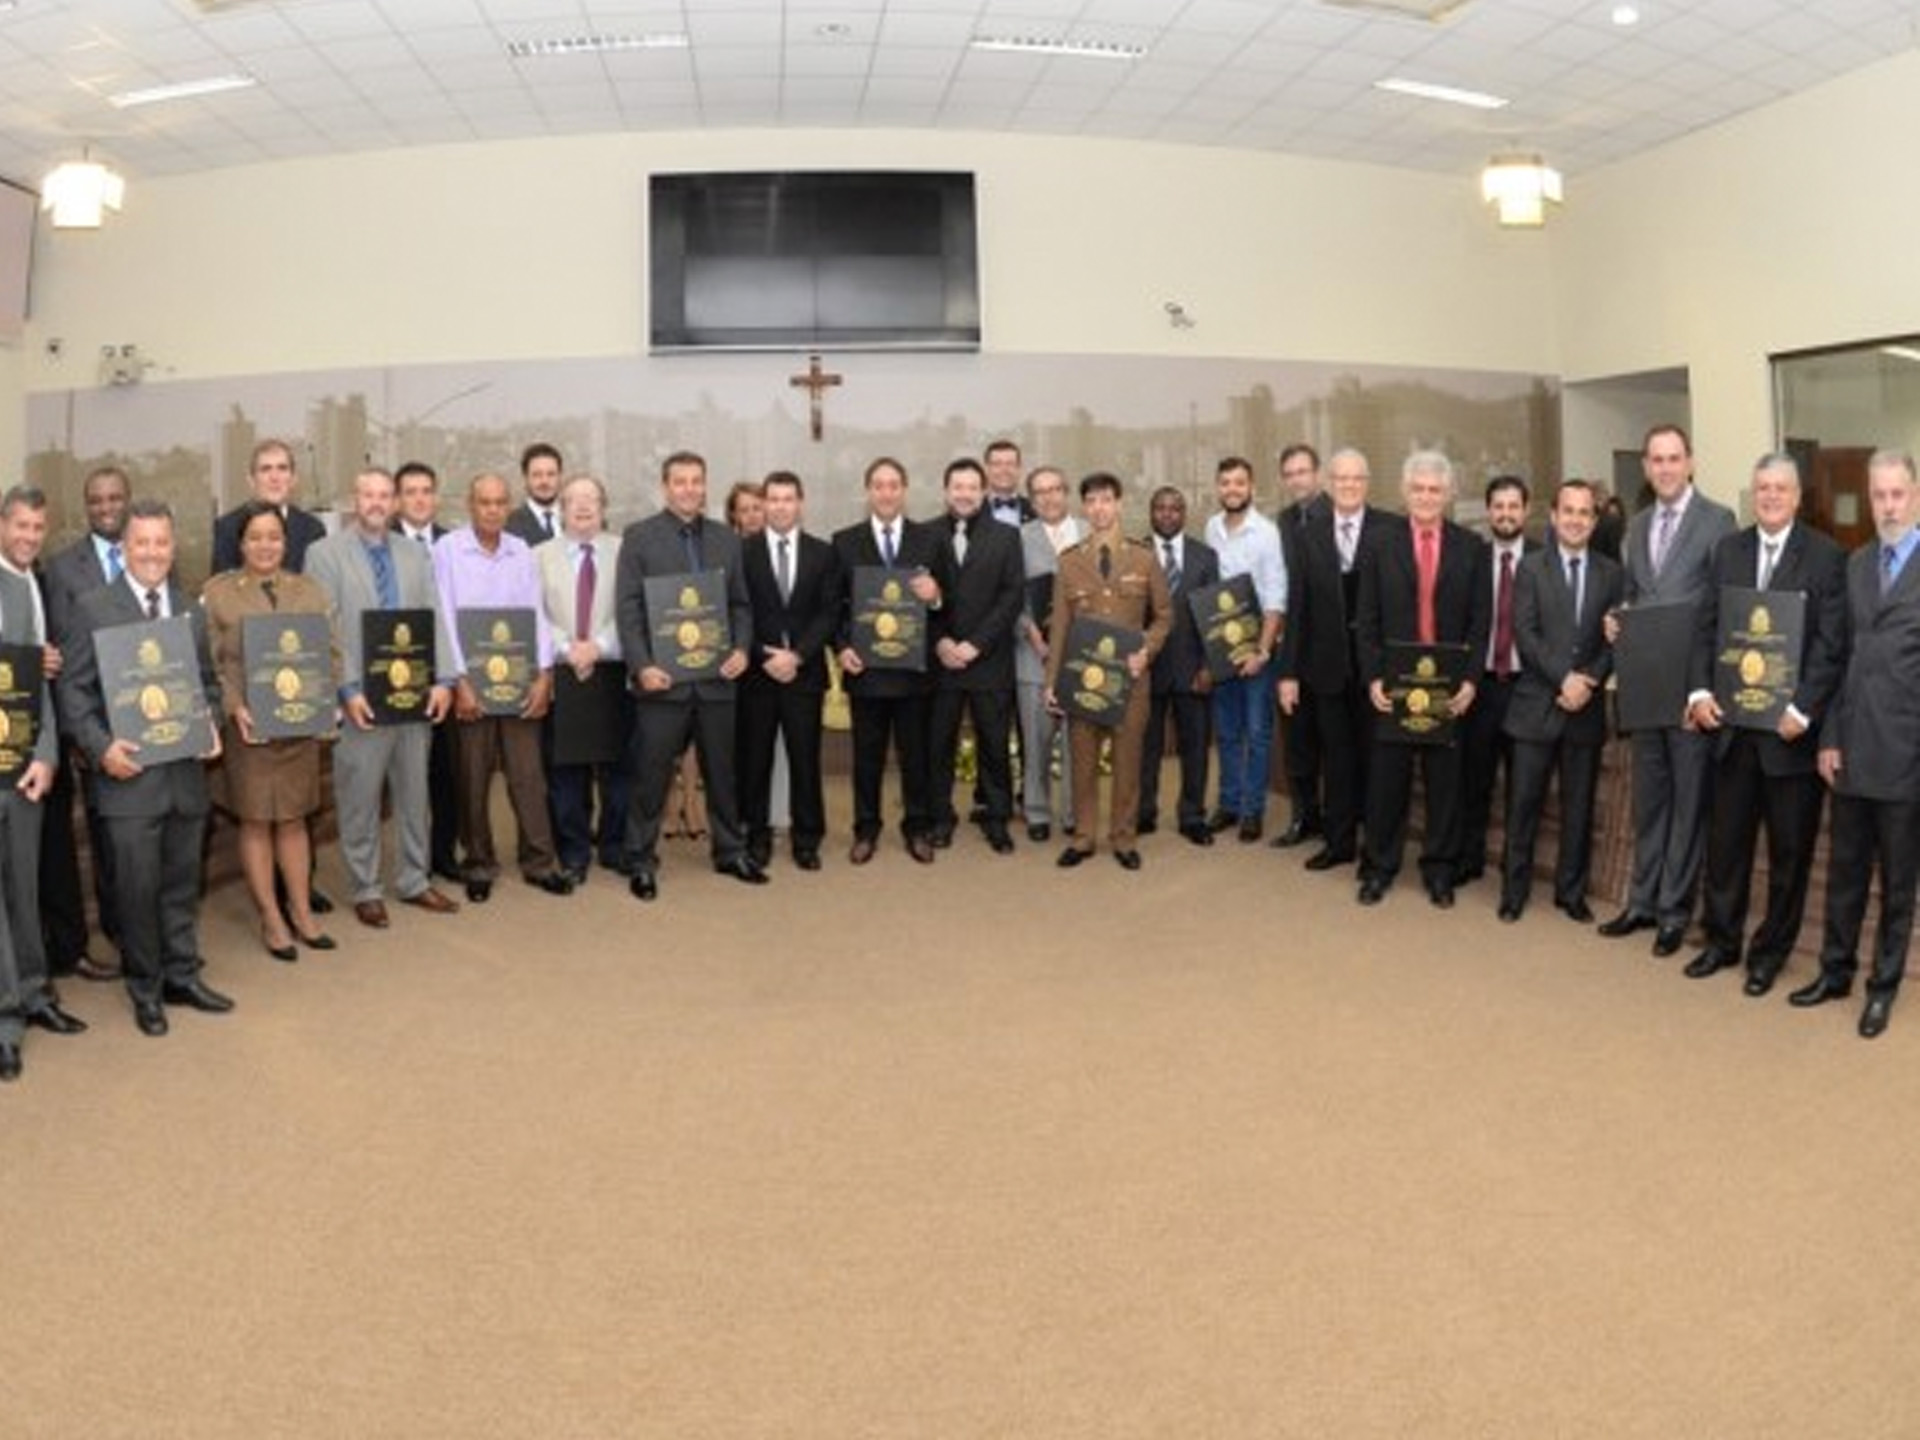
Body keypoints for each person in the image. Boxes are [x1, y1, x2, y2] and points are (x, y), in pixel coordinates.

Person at [57, 499, 234, 1038]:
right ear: (125, 549)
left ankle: (182, 974)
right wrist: (101, 746)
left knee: (181, 885)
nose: (152, 553)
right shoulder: (93, 607)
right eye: (142, 543)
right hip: (128, 781)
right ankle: (145, 987)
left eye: (161, 543)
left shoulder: (189, 609)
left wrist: (211, 725)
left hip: (183, 777)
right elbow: (73, 692)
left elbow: (206, 684)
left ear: (172, 547)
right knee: (136, 891)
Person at [1682, 453, 1847, 995]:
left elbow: (1831, 645)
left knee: (1788, 854)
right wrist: (1701, 690)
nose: (1771, 497)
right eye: (1762, 489)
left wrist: (1805, 707)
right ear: (1752, 495)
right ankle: (1722, 941)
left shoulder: (1825, 557)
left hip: (1789, 736)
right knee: (1725, 847)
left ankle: (1769, 953)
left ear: (1798, 497)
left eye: (1781, 489)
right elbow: (1706, 629)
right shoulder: (1727, 550)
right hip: (1731, 731)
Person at [1598, 424, 1737, 956]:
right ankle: (1642, 902)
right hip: (1645, 687)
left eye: (1673, 458)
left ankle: (1675, 912)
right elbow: (1634, 598)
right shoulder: (1634, 527)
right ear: (1646, 466)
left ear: (1691, 463)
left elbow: (1725, 611)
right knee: (1648, 804)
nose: (1664, 468)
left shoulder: (1717, 520)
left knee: (1687, 807)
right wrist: (1616, 620)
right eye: (1655, 460)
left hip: (1690, 694)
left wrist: (1703, 691)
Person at [1798, 449, 1920, 1039]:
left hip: (1906, 757)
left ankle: (1882, 987)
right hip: (1850, 752)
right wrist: (1830, 736)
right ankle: (1835, 971)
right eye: (1879, 495)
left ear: (1916, 495)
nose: (1888, 505)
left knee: (1897, 885)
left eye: (1898, 494)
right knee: (1845, 872)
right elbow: (1839, 657)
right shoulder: (1856, 563)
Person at [308, 467, 462, 929]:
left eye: (384, 495)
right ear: (354, 501)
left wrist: (445, 680)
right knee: (359, 796)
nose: (376, 503)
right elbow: (326, 626)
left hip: (415, 696)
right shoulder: (323, 554)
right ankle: (366, 887)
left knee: (415, 794)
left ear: (395, 503)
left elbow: (434, 615)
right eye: (367, 495)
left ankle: (414, 879)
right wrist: (347, 688)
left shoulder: (416, 554)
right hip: (362, 701)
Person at [614, 450, 765, 900]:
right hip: (664, 682)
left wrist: (740, 648)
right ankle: (640, 859)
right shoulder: (639, 537)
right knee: (651, 775)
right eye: (680, 482)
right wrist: (642, 665)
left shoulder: (726, 539)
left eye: (697, 481)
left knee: (723, 772)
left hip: (717, 680)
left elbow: (740, 604)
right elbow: (629, 609)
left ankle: (730, 851)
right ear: (665, 487)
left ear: (705, 486)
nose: (689, 489)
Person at [202, 503, 340, 961]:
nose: (265, 545)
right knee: (258, 821)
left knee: (296, 819)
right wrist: (234, 706)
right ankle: (271, 917)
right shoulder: (218, 594)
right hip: (250, 730)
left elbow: (331, 654)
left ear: (286, 542)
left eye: (274, 537)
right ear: (240, 544)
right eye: (255, 537)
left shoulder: (310, 592)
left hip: (298, 728)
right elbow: (211, 664)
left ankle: (301, 911)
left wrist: (325, 700)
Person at [1355, 451, 1490, 908]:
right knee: (1386, 784)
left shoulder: (1472, 547)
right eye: (1418, 489)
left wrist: (1471, 681)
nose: (1427, 497)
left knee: (1445, 785)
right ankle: (1379, 867)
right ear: (1404, 492)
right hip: (1394, 685)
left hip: (1448, 689)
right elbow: (1366, 618)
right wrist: (1373, 677)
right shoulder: (1378, 543)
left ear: (1449, 493)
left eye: (1435, 489)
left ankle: (1439, 870)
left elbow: (1480, 622)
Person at [434, 472, 572, 904]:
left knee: (528, 776)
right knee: (472, 778)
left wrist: (545, 674)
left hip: (518, 681)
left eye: (499, 503)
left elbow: (536, 614)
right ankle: (478, 863)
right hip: (471, 685)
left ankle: (540, 862)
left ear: (507, 506)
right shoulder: (447, 551)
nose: (492, 510)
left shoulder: (521, 552)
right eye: (483, 502)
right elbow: (443, 615)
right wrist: (459, 680)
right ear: (469, 506)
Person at [1497, 480, 1621, 924]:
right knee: (1523, 804)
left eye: (1584, 513)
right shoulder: (1530, 568)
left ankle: (1571, 894)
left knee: (1578, 807)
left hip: (1584, 709)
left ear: (1594, 520)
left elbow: (1614, 639)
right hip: (1536, 705)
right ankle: (1514, 891)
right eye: (1567, 511)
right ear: (1553, 517)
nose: (1575, 519)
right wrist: (1563, 678)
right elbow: (1524, 634)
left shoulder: (1612, 572)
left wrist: (1588, 679)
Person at [0, 489, 86, 1082]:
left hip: (27, 767)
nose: (29, 536)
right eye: (20, 526)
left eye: (38, 527)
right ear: (1, 525)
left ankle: (34, 992)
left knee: (24, 890)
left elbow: (40, 682)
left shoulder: (35, 582)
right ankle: (7, 1019)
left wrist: (49, 754)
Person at [1045, 471, 1171, 870]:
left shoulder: (1144, 557)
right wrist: (1052, 683)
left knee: (1127, 762)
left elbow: (1165, 616)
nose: (1099, 508)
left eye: (1106, 500)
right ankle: (1083, 838)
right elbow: (1060, 626)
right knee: (1081, 763)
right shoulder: (1069, 562)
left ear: (1119, 504)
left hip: (1130, 682)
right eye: (1092, 501)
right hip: (1083, 681)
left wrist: (1146, 651)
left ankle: (1123, 838)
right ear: (1085, 508)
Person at [39, 464, 130, 982]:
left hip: (148, 713)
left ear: (128, 499)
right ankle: (117, 930)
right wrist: (75, 732)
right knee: (105, 835)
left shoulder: (148, 553)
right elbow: (55, 650)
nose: (106, 507)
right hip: (93, 721)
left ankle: (146, 931)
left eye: (115, 497)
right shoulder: (59, 568)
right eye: (96, 500)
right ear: (85, 506)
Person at [832, 457, 945, 866]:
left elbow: (946, 606)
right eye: (878, 485)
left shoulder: (930, 539)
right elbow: (835, 608)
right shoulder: (844, 541)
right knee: (867, 756)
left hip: (914, 672)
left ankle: (917, 827)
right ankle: (866, 829)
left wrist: (934, 595)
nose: (886, 492)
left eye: (893, 485)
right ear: (868, 492)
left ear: (905, 490)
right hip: (866, 672)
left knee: (916, 755)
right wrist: (842, 646)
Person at [1280, 447, 1386, 874]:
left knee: (1378, 763)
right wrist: (1288, 671)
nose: (1348, 486)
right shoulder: (1309, 535)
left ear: (1367, 483)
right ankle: (1339, 843)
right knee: (1338, 763)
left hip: (1376, 672)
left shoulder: (1389, 530)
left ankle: (1376, 850)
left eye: (1356, 479)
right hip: (1325, 670)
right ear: (1329, 482)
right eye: (1341, 479)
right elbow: (1298, 607)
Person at [738, 470, 841, 871]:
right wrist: (764, 657)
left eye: (787, 499)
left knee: (805, 758)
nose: (780, 506)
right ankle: (757, 836)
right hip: (757, 675)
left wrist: (797, 655)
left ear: (801, 503)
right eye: (773, 499)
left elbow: (829, 612)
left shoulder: (823, 552)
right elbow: (735, 611)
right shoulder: (743, 552)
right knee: (756, 759)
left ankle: (807, 839)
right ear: (763, 504)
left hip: (804, 673)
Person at [927, 457, 1025, 853]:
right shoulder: (928, 534)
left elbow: (1011, 596)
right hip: (942, 661)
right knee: (939, 744)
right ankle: (940, 817)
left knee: (994, 742)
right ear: (946, 491)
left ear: (984, 491)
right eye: (957, 487)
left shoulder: (1006, 536)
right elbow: (920, 599)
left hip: (989, 659)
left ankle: (995, 816)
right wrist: (941, 641)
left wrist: (976, 643)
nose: (964, 494)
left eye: (972, 487)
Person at [537, 474, 631, 885]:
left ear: (604, 507)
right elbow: (533, 612)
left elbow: (632, 608)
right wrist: (567, 648)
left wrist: (598, 646)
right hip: (561, 673)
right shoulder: (537, 555)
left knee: (618, 770)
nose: (582, 505)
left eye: (592, 498)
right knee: (566, 773)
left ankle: (613, 846)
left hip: (613, 671)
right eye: (573, 499)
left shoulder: (625, 551)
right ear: (561, 508)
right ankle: (574, 851)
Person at [1458, 475, 1538, 885]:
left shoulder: (1545, 557)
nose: (1506, 514)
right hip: (1482, 684)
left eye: (1513, 506)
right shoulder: (1473, 557)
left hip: (1528, 689)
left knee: (1521, 788)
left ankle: (1514, 869)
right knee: (1476, 779)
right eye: (1498, 506)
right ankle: (1469, 860)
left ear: (1527, 510)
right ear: (1488, 511)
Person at [1202, 456, 1287, 843]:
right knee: (1228, 732)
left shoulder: (1267, 533)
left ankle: (1253, 810)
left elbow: (1275, 598)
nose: (1232, 489)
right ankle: (1229, 803)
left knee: (1258, 732)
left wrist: (1263, 651)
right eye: (1226, 482)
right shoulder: (1211, 528)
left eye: (1239, 482)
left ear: (1251, 487)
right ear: (1218, 488)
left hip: (1256, 652)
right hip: (1222, 652)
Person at [391, 460, 462, 882]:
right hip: (398, 671)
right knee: (405, 775)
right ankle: (408, 861)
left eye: (426, 491)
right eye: (411, 491)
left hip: (446, 673)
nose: (419, 498)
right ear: (399, 500)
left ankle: (444, 854)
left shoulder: (454, 544)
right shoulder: (383, 544)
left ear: (435, 497)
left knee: (445, 772)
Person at [1138, 485, 1217, 846]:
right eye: (1160, 508)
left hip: (1192, 669)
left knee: (1195, 747)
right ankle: (1143, 812)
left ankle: (1192, 816)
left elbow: (1213, 619)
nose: (1167, 514)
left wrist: (1208, 666)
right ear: (1151, 513)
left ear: (1184, 514)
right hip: (1147, 669)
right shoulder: (1134, 554)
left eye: (1175, 508)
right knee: (1145, 747)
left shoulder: (1205, 556)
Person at [1015, 465, 1082, 843]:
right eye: (1039, 492)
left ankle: (1074, 813)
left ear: (1066, 492)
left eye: (1055, 489)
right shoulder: (1018, 538)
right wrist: (1033, 635)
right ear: (1032, 499)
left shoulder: (1090, 533)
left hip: (1081, 658)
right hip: (1032, 655)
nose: (1048, 497)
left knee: (1078, 740)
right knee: (1037, 739)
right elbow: (1011, 596)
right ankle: (1037, 811)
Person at [1272, 444, 1326, 848]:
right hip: (1292, 645)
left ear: (1318, 474)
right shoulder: (1284, 521)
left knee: (1337, 745)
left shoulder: (1335, 515)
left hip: (1331, 647)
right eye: (1289, 474)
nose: (1297, 480)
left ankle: (1340, 821)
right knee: (1298, 742)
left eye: (1302, 472)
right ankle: (1303, 817)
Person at [213, 438, 326, 575]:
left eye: (282, 468)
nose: (274, 477)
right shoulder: (226, 528)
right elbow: (221, 589)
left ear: (293, 479)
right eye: (265, 469)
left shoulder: (313, 529)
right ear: (251, 480)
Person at [505, 441, 564, 547]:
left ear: (560, 477)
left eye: (551, 474)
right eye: (537, 475)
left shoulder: (576, 519)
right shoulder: (508, 525)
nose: (544, 481)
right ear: (525, 478)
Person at [983, 438, 1034, 526]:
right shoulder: (973, 510)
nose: (1004, 470)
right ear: (987, 469)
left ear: (1019, 469)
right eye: (997, 464)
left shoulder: (1035, 510)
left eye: (1010, 464)